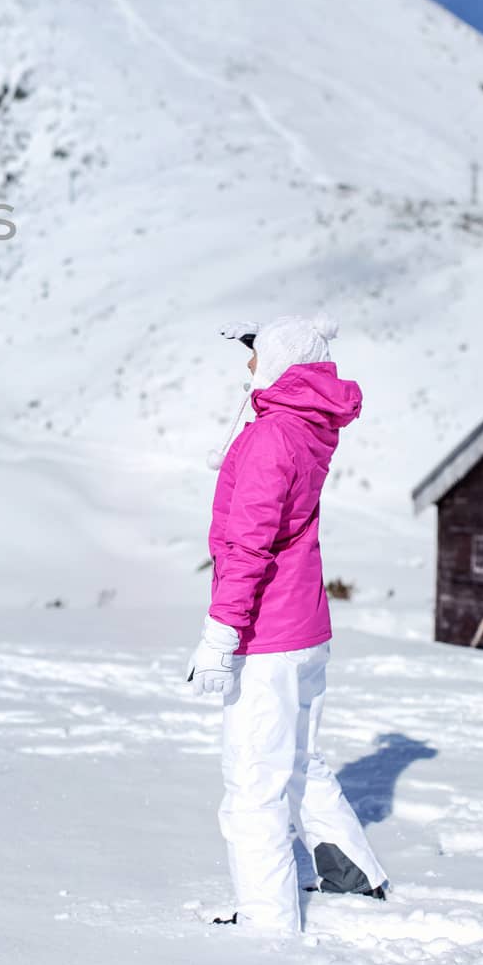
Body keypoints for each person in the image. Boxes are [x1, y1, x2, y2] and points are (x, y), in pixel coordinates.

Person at [185, 313, 389, 933]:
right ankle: (353, 874)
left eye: (255, 356)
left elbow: (248, 544)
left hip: (266, 634)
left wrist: (220, 636)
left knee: (253, 783)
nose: (247, 367)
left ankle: (268, 931)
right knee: (300, 761)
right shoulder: (304, 425)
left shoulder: (273, 435)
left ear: (279, 363)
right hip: (303, 629)